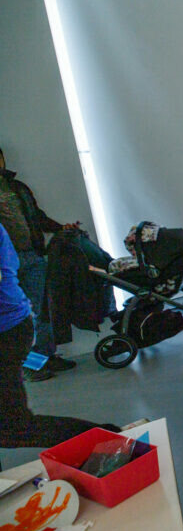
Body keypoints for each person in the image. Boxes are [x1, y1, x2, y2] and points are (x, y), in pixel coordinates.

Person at [0, 223, 120, 450]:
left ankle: (110, 440)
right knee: (10, 427)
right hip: (13, 325)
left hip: (7, 331)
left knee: (12, 428)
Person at [0, 147, 78, 381]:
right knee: (21, 317)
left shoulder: (17, 187)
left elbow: (37, 216)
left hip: (31, 256)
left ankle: (45, 357)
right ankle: (30, 366)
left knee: (43, 310)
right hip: (7, 268)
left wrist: (60, 228)